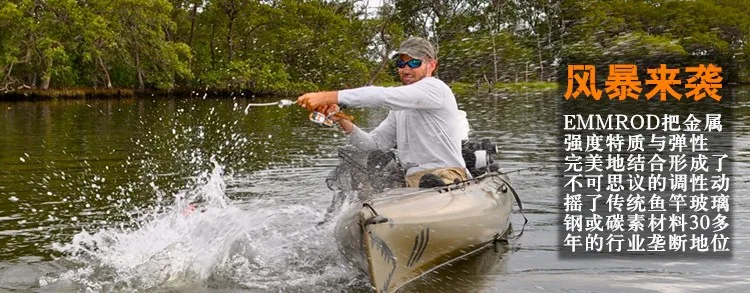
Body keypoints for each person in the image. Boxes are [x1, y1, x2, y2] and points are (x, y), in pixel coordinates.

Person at [297, 37, 469, 188]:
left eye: (414, 62)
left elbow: (381, 95)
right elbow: (374, 144)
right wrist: (342, 120)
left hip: (446, 175)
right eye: (401, 63)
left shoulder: (436, 88)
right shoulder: (399, 108)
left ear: (432, 65)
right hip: (413, 181)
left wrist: (329, 97)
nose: (406, 68)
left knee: (430, 184)